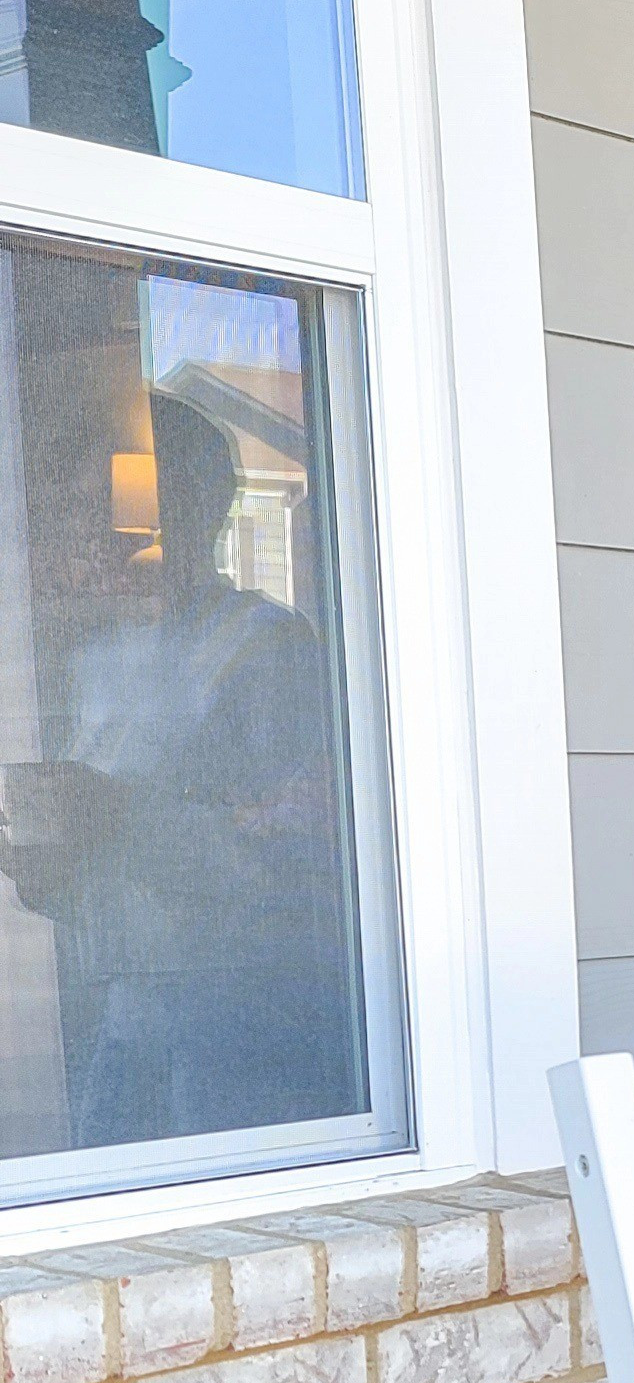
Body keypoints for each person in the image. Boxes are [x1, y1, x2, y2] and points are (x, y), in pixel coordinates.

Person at [0, 393, 355, 1148]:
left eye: (101, 495)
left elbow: (297, 868)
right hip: (124, 1031)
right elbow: (95, 874)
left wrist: (117, 817)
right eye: (71, 498)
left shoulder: (265, 650)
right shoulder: (104, 654)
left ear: (189, 507)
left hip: (241, 1042)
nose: (82, 521)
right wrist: (43, 865)